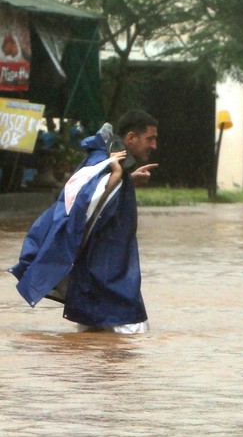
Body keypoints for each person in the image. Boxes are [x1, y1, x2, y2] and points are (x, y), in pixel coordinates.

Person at [9, 110, 160, 333]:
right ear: (130, 138)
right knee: (131, 338)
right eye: (150, 139)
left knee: (93, 344)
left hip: (103, 280)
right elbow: (85, 207)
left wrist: (128, 179)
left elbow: (98, 202)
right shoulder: (105, 163)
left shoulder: (110, 163)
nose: (154, 145)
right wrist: (117, 178)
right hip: (106, 280)